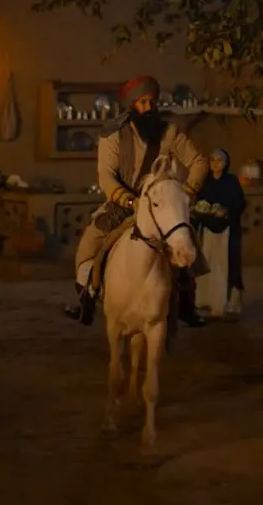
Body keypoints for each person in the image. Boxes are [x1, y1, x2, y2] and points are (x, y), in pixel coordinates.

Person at [63, 76, 208, 326]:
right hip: (123, 205)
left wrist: (185, 193)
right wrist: (130, 201)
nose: (148, 107)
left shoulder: (169, 133)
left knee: (185, 240)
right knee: (89, 244)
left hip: (160, 206)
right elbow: (106, 177)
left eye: (152, 102)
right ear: (132, 105)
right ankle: (87, 299)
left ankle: (186, 304)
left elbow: (199, 162)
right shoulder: (112, 136)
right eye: (142, 102)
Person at [193, 149, 247, 319]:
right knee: (208, 264)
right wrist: (201, 209)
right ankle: (206, 302)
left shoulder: (231, 182)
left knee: (224, 266)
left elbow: (240, 202)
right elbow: (198, 201)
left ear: (225, 163)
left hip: (226, 231)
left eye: (219, 160)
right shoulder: (205, 182)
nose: (216, 164)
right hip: (208, 230)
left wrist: (227, 211)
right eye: (213, 160)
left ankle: (225, 304)